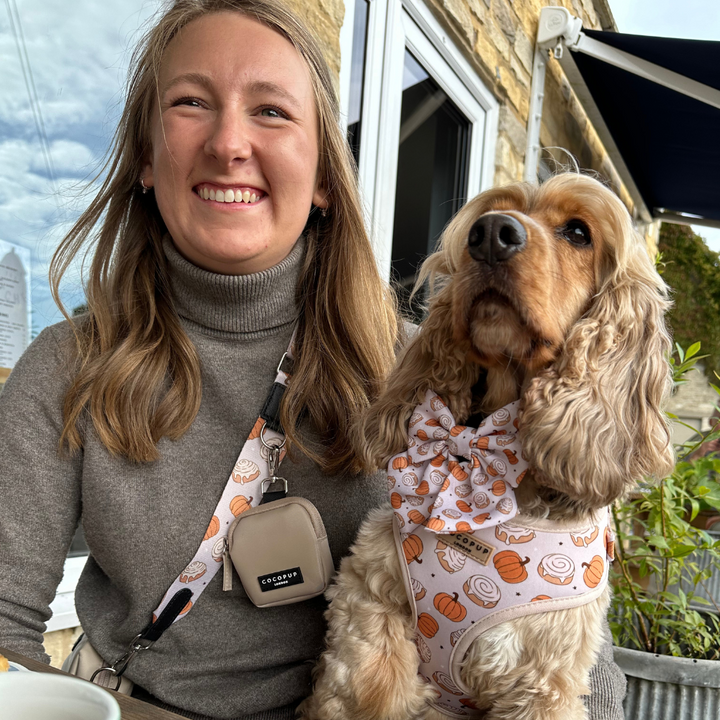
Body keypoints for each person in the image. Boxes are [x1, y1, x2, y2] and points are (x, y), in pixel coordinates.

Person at [0, 1, 626, 718]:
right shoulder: (66, 365)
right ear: (146, 157)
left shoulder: (420, 366)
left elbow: (562, 620)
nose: (229, 142)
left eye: (270, 111)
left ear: (328, 176)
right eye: (190, 102)